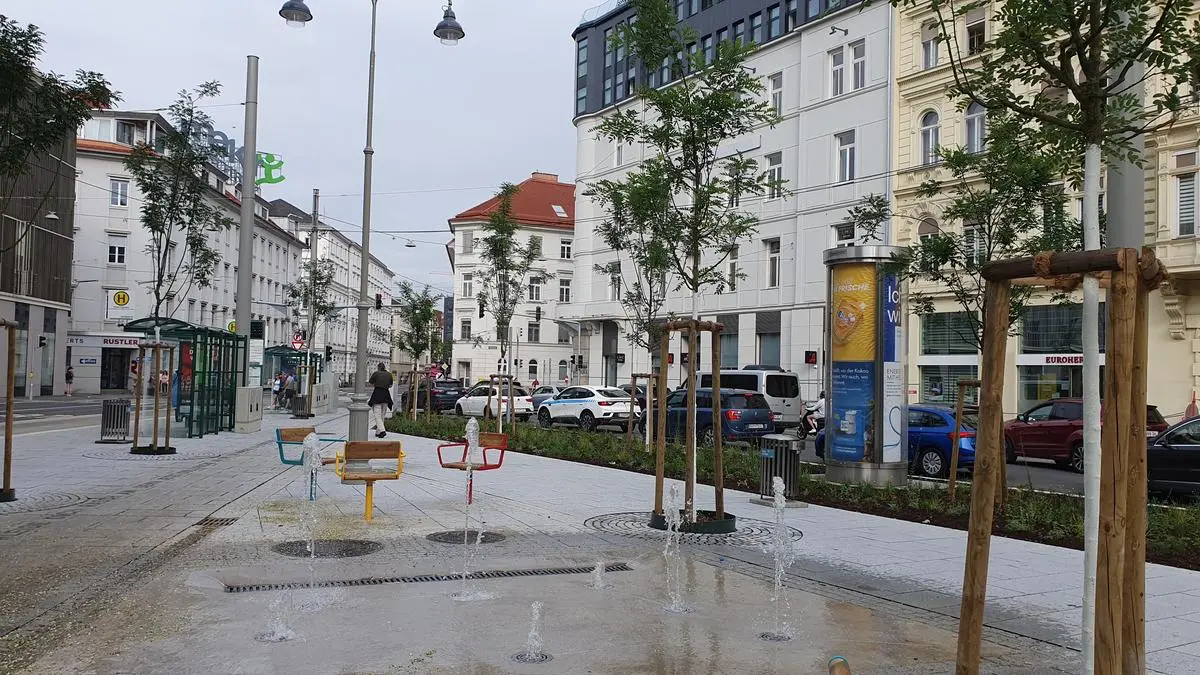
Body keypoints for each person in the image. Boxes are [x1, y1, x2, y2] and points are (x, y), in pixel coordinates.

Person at [368, 362, 394, 438]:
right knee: (382, 414)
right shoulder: (389, 374)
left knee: (377, 414)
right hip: (386, 395)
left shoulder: (376, 373)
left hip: (377, 394)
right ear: (384, 367)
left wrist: (376, 384)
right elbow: (391, 385)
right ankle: (378, 432)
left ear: (378, 367)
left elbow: (370, 382)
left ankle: (382, 430)